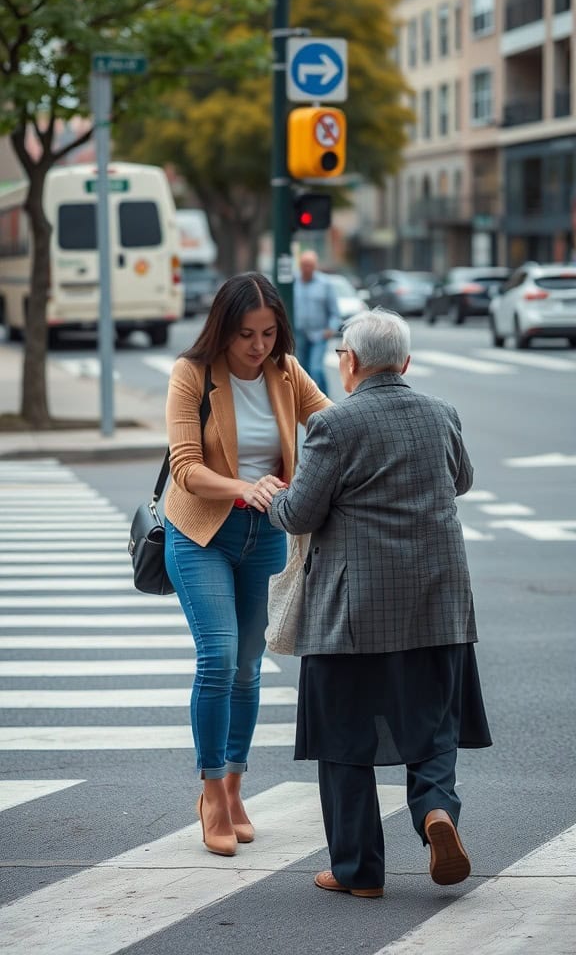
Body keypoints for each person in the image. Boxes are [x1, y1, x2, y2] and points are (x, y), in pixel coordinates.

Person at [267, 308, 492, 898]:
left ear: (350, 362)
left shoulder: (334, 427)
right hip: (439, 604)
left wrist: (272, 496)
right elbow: (460, 480)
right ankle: (436, 810)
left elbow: (300, 514)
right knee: (434, 723)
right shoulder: (442, 414)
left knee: (343, 738)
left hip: (353, 613)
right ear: (406, 362)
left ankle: (359, 873)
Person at [163, 272, 331, 858]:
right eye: (245, 335)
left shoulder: (286, 372)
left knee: (249, 667)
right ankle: (210, 792)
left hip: (264, 535)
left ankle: (235, 787)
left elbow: (333, 423)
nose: (258, 346)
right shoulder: (192, 374)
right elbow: (185, 466)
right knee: (219, 656)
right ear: (222, 331)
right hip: (202, 531)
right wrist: (243, 485)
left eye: (268, 333)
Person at [293, 250, 341, 393]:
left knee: (316, 369)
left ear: (315, 266)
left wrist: (331, 329)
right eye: (304, 265)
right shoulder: (293, 282)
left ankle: (324, 399)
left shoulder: (325, 284)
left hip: (319, 334)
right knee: (303, 370)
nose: (307, 268)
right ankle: (308, 401)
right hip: (299, 333)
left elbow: (334, 312)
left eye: (310, 265)